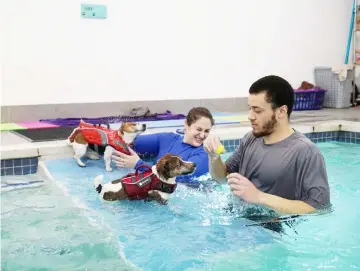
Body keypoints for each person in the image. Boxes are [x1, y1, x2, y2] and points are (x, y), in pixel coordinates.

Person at [204, 75, 331, 215]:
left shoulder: (306, 152)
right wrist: (213, 157)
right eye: (250, 109)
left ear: (281, 111)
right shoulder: (251, 138)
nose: (250, 116)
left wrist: (259, 197)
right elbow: (221, 178)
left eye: (257, 110)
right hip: (236, 220)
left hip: (269, 230)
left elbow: (319, 209)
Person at [111, 107, 215, 186]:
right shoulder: (167, 139)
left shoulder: (205, 154)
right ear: (186, 124)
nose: (202, 135)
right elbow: (128, 143)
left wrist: (138, 165)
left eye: (207, 131)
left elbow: (183, 180)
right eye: (199, 129)